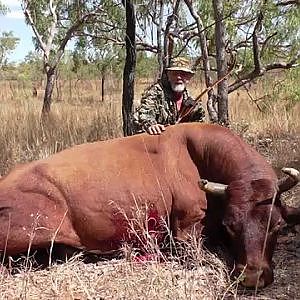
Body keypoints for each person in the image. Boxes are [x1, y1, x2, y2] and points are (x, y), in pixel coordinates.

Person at [133, 57, 205, 135]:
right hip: (156, 138)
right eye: (174, 73)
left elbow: (200, 122)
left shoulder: (192, 99)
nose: (178, 77)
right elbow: (145, 112)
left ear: (189, 77)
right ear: (168, 75)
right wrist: (151, 125)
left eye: (183, 74)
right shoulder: (156, 92)